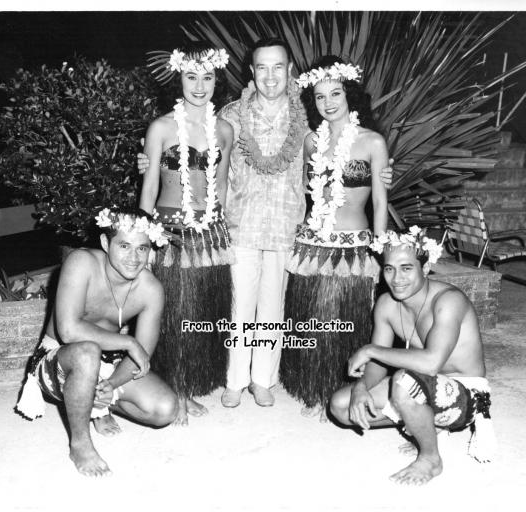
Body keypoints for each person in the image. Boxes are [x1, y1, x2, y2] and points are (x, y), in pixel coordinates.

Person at [139, 38, 394, 409]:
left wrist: (379, 174)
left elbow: (340, 153)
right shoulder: (230, 115)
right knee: (238, 306)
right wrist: (148, 163)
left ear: (289, 70)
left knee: (274, 309)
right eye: (262, 67)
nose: (270, 76)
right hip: (239, 225)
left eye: (278, 67)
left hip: (288, 227)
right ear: (251, 71)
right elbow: (202, 160)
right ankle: (234, 380)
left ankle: (263, 380)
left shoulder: (308, 117)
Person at [15, 207, 178, 477]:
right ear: (105, 242)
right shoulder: (82, 262)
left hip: (107, 363)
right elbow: (69, 331)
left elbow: (142, 354)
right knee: (87, 352)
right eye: (124, 246)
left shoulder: (151, 289)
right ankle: (80, 444)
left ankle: (96, 406)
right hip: (59, 360)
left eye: (142, 248)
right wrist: (128, 343)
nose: (134, 258)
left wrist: (111, 385)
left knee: (165, 409)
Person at [329, 227, 496, 485]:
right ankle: (425, 425)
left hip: (465, 395)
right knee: (341, 406)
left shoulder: (448, 301)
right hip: (421, 383)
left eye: (406, 268)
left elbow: (431, 363)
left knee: (403, 381)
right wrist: (361, 387)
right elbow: (378, 364)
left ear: (425, 268)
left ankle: (431, 459)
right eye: (389, 269)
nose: (397, 278)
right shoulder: (386, 304)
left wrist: (369, 349)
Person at [280, 56, 388, 421]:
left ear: (349, 93)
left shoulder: (372, 141)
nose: (328, 102)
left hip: (354, 243)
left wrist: (381, 248)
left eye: (335, 93)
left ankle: (340, 389)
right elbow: (300, 189)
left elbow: (380, 201)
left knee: (347, 319)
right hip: (313, 242)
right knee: (313, 316)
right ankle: (312, 386)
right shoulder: (312, 142)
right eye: (320, 96)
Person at [139, 44, 234, 425]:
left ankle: (190, 383)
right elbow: (148, 186)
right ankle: (173, 387)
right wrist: (144, 235)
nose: (199, 86)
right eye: (191, 76)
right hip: (168, 231)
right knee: (173, 313)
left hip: (209, 231)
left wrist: (220, 229)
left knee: (201, 311)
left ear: (216, 81)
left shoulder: (224, 130)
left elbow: (221, 184)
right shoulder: (161, 127)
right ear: (178, 79)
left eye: (207, 77)